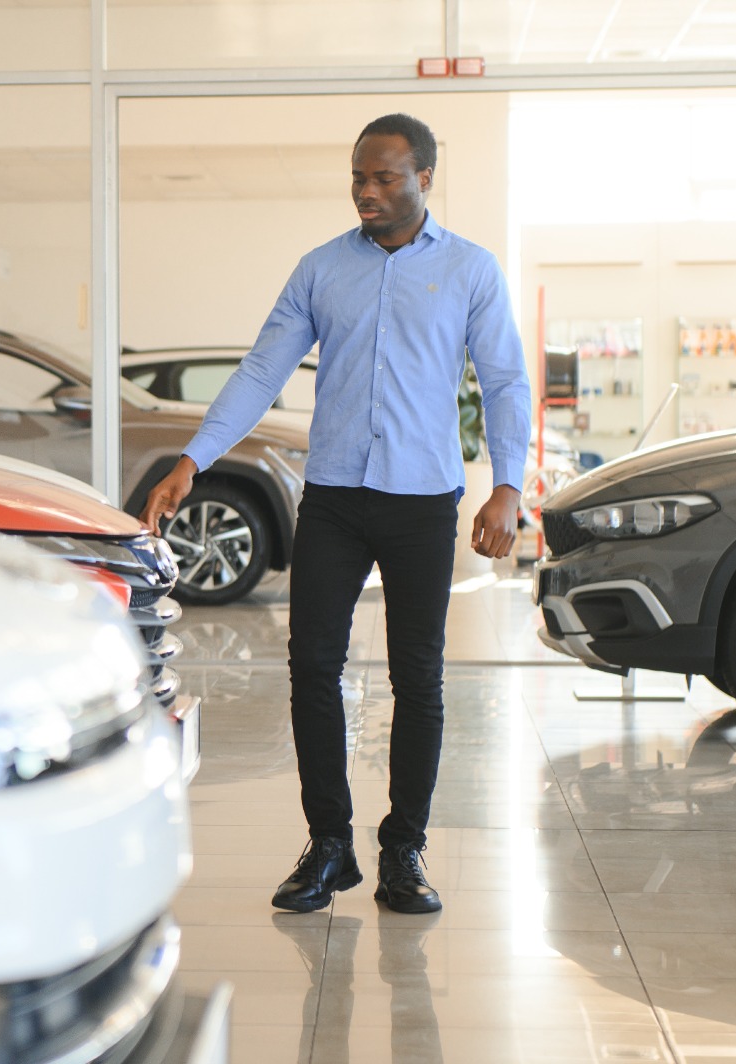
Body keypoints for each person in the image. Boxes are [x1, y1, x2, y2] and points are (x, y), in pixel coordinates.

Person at [140, 113, 531, 915]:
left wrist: (508, 484)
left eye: (385, 177)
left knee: (418, 677)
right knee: (312, 665)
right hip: (337, 499)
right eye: (358, 176)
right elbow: (261, 372)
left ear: (426, 176)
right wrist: (193, 460)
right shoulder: (322, 270)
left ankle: (405, 850)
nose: (367, 191)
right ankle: (328, 845)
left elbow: (505, 381)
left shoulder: (470, 271)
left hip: (423, 499)